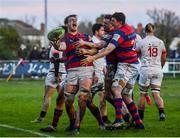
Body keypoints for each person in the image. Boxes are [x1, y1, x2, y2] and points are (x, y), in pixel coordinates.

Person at [79, 12, 144, 129]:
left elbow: (106, 48)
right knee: (125, 95)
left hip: (124, 66)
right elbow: (101, 45)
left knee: (114, 90)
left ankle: (120, 120)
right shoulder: (130, 29)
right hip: (133, 65)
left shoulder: (118, 33)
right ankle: (138, 123)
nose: (105, 25)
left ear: (119, 22)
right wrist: (87, 48)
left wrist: (91, 57)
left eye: (109, 22)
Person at [60, 14, 95, 134]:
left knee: (82, 98)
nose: (74, 21)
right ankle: (72, 121)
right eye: (71, 20)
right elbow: (61, 47)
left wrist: (86, 50)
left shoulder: (85, 37)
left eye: (75, 20)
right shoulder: (64, 38)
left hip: (86, 69)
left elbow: (95, 49)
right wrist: (55, 43)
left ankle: (77, 125)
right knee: (68, 100)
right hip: (72, 71)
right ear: (67, 24)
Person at [31, 27, 67, 123]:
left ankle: (41, 118)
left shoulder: (57, 45)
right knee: (62, 99)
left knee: (47, 97)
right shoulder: (65, 44)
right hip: (64, 74)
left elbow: (56, 60)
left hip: (54, 74)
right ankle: (71, 118)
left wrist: (56, 75)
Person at [135, 23, 166, 121]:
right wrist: (161, 66)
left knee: (143, 94)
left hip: (145, 69)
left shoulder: (142, 42)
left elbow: (136, 55)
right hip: (157, 69)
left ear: (145, 30)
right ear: (154, 30)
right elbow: (164, 56)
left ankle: (141, 117)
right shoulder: (160, 42)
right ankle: (161, 113)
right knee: (156, 93)